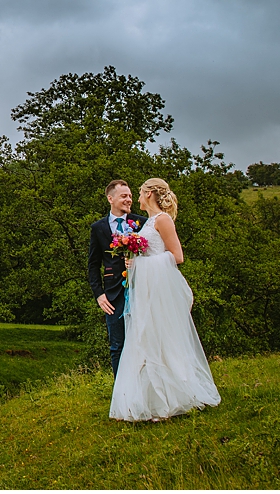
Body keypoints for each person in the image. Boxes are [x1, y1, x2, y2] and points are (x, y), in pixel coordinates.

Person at [109, 178, 221, 422]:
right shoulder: (148, 221)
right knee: (145, 340)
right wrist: (133, 260)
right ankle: (148, 401)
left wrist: (140, 262)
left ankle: (171, 399)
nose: (137, 197)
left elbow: (176, 256)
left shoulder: (163, 220)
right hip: (147, 292)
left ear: (149, 193)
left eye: (140, 192)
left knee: (161, 340)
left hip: (159, 292)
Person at [86, 180, 145, 375]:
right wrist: (99, 294)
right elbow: (93, 265)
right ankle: (122, 392)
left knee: (142, 341)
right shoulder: (98, 228)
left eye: (129, 196)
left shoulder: (141, 223)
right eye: (124, 196)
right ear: (110, 199)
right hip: (112, 294)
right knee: (117, 344)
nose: (129, 199)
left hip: (141, 288)